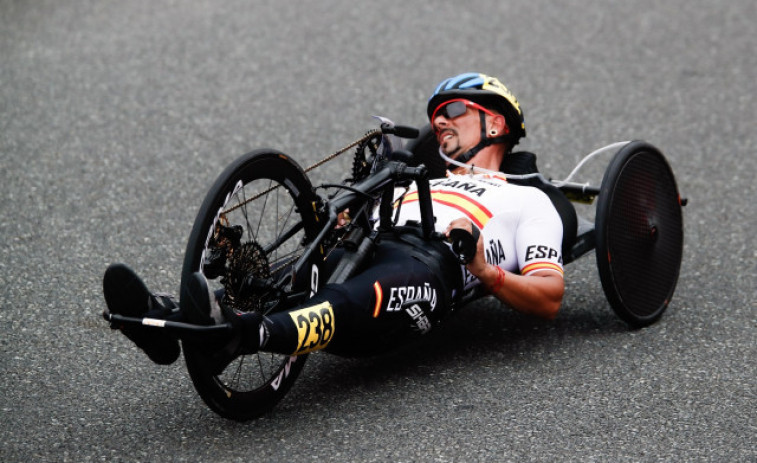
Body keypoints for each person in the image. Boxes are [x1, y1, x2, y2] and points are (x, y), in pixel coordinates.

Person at [103, 72, 565, 365]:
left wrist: (485, 271)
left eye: (456, 111)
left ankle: (250, 334)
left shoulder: (530, 200)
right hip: (369, 243)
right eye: (436, 116)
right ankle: (164, 322)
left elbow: (549, 297)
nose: (441, 122)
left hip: (430, 269)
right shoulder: (416, 179)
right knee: (290, 273)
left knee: (351, 295)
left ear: (498, 124)